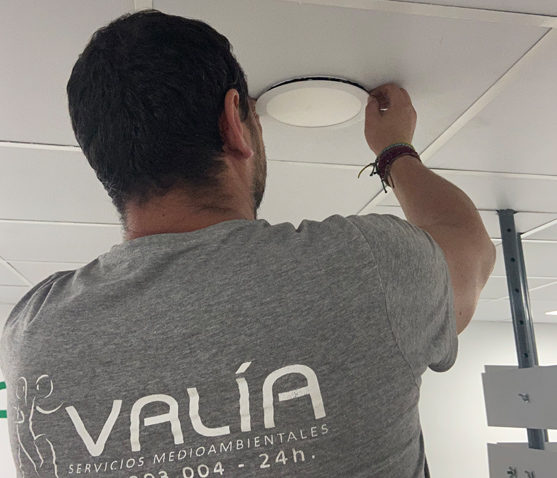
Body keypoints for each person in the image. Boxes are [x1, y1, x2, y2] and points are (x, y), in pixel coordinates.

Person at [0, 9, 495, 478]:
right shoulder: (365, 267)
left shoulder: (34, 334)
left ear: (103, 160)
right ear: (233, 123)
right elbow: (471, 252)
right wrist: (395, 151)